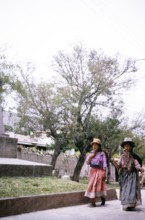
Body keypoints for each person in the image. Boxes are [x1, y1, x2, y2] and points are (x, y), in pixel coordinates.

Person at [112, 137, 144, 211]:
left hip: (132, 175)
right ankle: (126, 203)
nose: (126, 147)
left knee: (131, 189)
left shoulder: (134, 157)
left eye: (128, 146)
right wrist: (114, 162)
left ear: (131, 147)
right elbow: (119, 165)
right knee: (125, 189)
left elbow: (137, 164)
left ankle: (131, 204)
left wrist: (140, 169)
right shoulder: (122, 157)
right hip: (124, 175)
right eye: (125, 146)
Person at [84, 138, 107, 207]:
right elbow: (87, 162)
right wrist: (92, 156)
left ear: (99, 146)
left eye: (96, 145)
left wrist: (104, 172)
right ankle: (93, 201)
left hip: (100, 171)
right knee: (92, 185)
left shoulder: (102, 154)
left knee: (98, 185)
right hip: (92, 171)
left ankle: (102, 198)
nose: (95, 146)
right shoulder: (90, 153)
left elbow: (104, 163)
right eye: (93, 145)